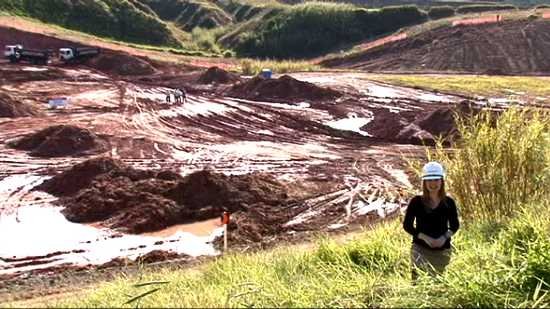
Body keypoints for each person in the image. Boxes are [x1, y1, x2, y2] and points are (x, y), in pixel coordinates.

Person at [403, 161, 459, 281]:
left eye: (436, 179)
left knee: (438, 284)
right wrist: (425, 238)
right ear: (424, 182)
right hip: (420, 249)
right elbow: (407, 225)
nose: (433, 183)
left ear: (442, 181)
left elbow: (454, 225)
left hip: (442, 251)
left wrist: (443, 238)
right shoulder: (416, 201)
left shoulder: (449, 202)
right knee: (418, 283)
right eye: (429, 180)